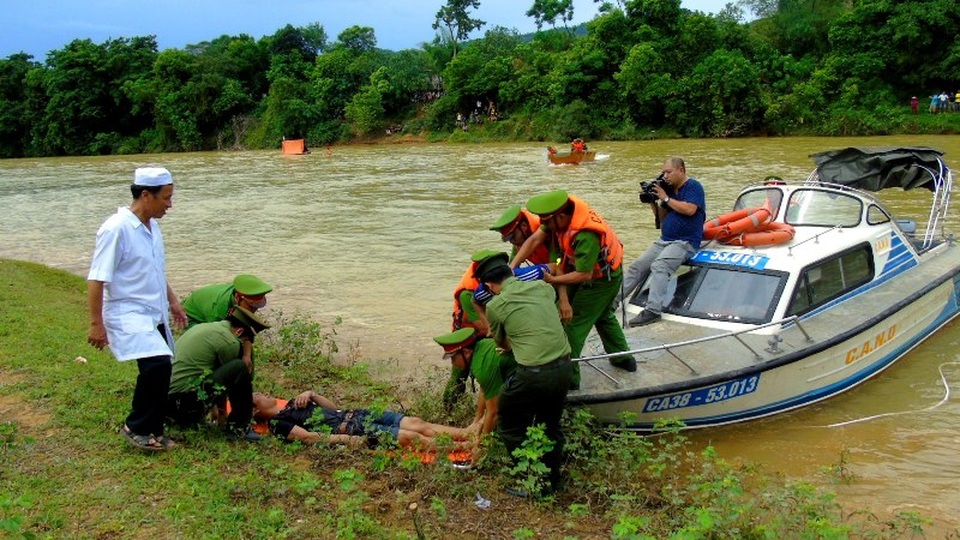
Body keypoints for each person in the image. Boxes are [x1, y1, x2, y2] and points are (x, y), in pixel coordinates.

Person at [87, 167, 187, 452]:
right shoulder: (116, 228)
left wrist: (173, 300)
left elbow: (155, 269)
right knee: (156, 364)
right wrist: (96, 323)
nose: (170, 204)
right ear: (146, 195)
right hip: (127, 311)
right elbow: (97, 278)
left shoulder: (152, 227)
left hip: (152, 311)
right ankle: (137, 427)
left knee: (163, 366)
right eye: (166, 198)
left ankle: (154, 427)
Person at [513, 190, 637, 382]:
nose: (544, 227)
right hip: (583, 272)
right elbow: (534, 239)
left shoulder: (585, 234)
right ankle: (622, 358)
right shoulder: (559, 217)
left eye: (547, 223)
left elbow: (584, 274)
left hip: (603, 279)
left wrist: (554, 281)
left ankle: (569, 381)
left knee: (572, 323)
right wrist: (511, 268)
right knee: (602, 316)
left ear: (560, 217)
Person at [475, 251, 572, 495]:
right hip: (564, 366)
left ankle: (533, 482)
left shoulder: (496, 306)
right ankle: (555, 482)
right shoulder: (543, 288)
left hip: (532, 374)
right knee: (550, 425)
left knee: (508, 424)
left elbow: (502, 343)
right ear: (510, 272)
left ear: (489, 286)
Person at [621, 157, 706, 327]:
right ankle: (612, 302)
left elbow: (690, 210)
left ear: (681, 170)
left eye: (669, 172)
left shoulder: (693, 187)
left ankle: (653, 310)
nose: (665, 176)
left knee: (660, 266)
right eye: (664, 172)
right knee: (637, 266)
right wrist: (654, 201)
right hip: (665, 240)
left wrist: (665, 198)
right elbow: (661, 219)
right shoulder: (669, 191)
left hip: (685, 241)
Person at [167, 306, 270, 441]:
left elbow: (219, 377)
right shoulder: (229, 341)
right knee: (239, 367)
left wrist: (218, 410)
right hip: (182, 406)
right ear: (239, 331)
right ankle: (239, 428)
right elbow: (230, 381)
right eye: (244, 341)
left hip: (165, 403)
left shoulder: (206, 328)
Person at [252, 390, 476, 450]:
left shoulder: (293, 402)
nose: (264, 394)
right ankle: (466, 446)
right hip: (351, 429)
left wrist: (312, 394)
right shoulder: (277, 424)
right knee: (411, 437)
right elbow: (310, 437)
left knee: (416, 422)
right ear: (255, 411)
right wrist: (347, 441)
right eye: (258, 397)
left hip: (355, 414)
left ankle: (465, 433)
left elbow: (334, 408)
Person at [433, 326, 517, 438]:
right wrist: (476, 421)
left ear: (466, 352)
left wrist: (480, 443)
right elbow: (484, 389)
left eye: (453, 358)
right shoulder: (481, 347)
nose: (453, 363)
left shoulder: (482, 367)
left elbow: (493, 412)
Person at [182, 274, 273, 328]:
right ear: (238, 298)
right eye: (250, 306)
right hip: (192, 318)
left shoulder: (240, 292)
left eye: (256, 306)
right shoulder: (219, 309)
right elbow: (215, 333)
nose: (253, 311)